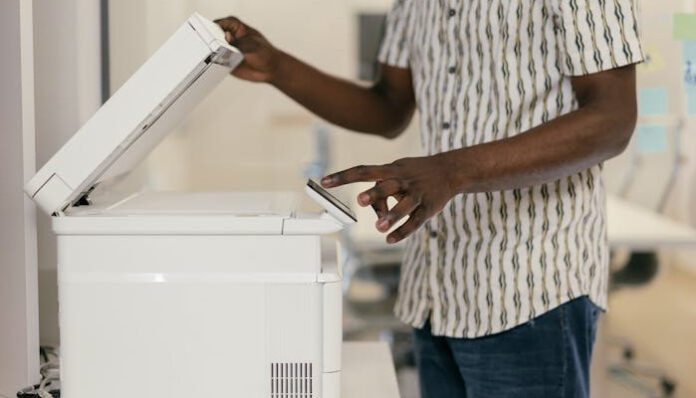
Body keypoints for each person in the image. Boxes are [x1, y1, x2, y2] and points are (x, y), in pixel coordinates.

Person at [216, 0, 642, 396]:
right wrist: (276, 68)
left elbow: (612, 119)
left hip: (532, 285)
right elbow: (388, 106)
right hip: (438, 286)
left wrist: (451, 170)